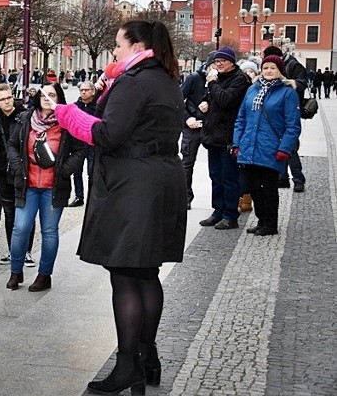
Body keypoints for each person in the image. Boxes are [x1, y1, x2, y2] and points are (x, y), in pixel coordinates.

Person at [55, 20, 186, 394]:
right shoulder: (166, 79)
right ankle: (148, 357)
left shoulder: (135, 81)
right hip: (160, 179)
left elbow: (109, 135)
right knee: (146, 272)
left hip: (133, 185)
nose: (114, 51)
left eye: (117, 44)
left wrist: (70, 115)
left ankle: (128, 364)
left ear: (137, 45)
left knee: (126, 275)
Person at [5, 83, 86, 291]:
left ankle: (44, 275)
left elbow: (80, 150)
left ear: (58, 98)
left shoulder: (66, 122)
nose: (47, 98)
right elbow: (12, 145)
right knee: (20, 228)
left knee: (49, 231)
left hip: (53, 186)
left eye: (52, 95)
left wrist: (64, 169)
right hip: (27, 183)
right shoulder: (25, 119)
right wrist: (17, 167)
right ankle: (16, 271)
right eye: (43, 94)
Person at [232, 55, 301, 237]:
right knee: (253, 186)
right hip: (250, 146)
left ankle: (270, 223)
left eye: (273, 68)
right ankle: (261, 220)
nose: (269, 71)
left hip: (271, 148)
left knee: (269, 188)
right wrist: (237, 142)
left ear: (280, 71)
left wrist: (284, 149)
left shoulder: (287, 93)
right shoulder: (253, 90)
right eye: (266, 68)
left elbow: (293, 126)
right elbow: (241, 118)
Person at [198, 47, 250, 230]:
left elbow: (226, 100)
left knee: (229, 178)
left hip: (228, 137)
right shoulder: (217, 79)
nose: (218, 64)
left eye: (222, 61)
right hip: (213, 136)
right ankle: (217, 211)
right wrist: (204, 103)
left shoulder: (240, 80)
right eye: (216, 61)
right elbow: (211, 98)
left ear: (232, 62)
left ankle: (230, 215)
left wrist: (212, 83)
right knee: (215, 177)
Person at [0, 83, 30, 267]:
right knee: (9, 213)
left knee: (25, 214)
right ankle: (13, 250)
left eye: (9, 98)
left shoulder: (24, 117)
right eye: (2, 99)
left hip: (22, 173)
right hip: (3, 174)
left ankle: (26, 251)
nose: (7, 102)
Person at [262, 46, 307, 192]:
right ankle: (282, 178)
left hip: (290, 109)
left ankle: (298, 179)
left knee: (291, 147)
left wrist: (286, 82)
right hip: (275, 112)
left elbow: (302, 83)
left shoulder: (294, 65)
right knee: (277, 145)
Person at [179, 55, 213, 209]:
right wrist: (187, 118)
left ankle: (220, 204)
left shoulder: (221, 81)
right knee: (187, 163)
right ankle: (185, 198)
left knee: (217, 165)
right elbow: (179, 100)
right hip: (192, 125)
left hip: (212, 127)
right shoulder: (194, 78)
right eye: (214, 64)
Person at [71, 81, 98, 207]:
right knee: (77, 172)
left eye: (86, 90)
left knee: (92, 172)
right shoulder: (76, 106)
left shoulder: (98, 107)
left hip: (93, 144)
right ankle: (79, 197)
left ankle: (92, 198)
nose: (83, 92)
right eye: (81, 90)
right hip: (78, 144)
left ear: (93, 91)